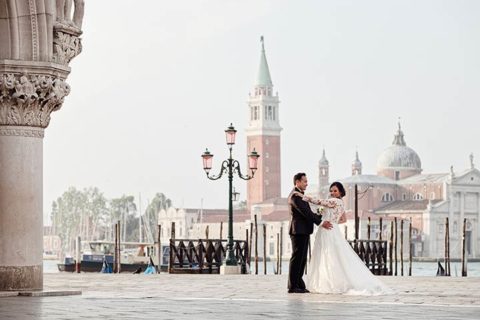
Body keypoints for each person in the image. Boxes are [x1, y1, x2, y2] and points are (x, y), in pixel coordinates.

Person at [304, 181, 391, 295]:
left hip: (328, 230)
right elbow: (343, 219)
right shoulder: (341, 203)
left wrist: (305, 197)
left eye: (335, 191)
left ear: (340, 192)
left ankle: (329, 282)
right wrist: (333, 221)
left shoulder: (335, 201)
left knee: (328, 255)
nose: (332, 192)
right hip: (332, 228)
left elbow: (319, 201)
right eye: (331, 190)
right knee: (333, 255)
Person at [287, 173, 333, 293]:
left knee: (302, 259)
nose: (307, 184)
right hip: (298, 231)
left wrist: (319, 213)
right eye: (304, 181)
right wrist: (320, 222)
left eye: (307, 181)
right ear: (297, 182)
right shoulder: (295, 196)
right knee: (297, 258)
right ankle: (293, 286)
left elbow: (308, 212)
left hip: (303, 230)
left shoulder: (300, 195)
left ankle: (299, 283)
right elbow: (305, 213)